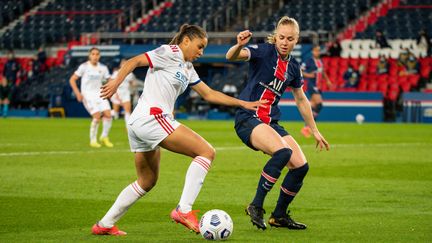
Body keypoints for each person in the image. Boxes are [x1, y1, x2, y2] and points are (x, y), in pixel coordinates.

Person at [92, 24, 264, 236]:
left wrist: (242, 103)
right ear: (185, 41)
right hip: (152, 117)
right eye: (199, 46)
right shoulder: (170, 52)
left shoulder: (187, 68)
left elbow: (209, 94)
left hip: (141, 122)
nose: (201, 52)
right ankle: (184, 210)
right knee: (207, 152)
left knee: (147, 181)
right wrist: (116, 82)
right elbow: (134, 61)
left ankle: (104, 224)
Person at [226, 16, 330, 230]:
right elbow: (232, 56)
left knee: (301, 166)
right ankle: (256, 205)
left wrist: (315, 130)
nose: (284, 42)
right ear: (276, 36)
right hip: (248, 118)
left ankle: (279, 215)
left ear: (296, 40)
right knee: (283, 152)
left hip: (270, 122)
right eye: (281, 37)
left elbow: (301, 99)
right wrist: (238, 45)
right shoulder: (264, 51)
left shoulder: (293, 67)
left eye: (289, 39)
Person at [69, 47, 114, 148]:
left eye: (97, 54)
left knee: (108, 115)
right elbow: (72, 79)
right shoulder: (84, 67)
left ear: (99, 56)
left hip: (100, 94)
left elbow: (109, 79)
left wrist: (113, 84)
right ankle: (93, 140)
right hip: (88, 95)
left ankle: (104, 137)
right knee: (97, 116)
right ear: (89, 55)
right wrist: (77, 93)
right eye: (93, 54)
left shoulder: (103, 68)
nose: (95, 56)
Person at [301, 45, 332, 137]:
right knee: (319, 104)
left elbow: (322, 72)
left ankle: (306, 127)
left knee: (312, 106)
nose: (317, 52)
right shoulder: (308, 61)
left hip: (318, 86)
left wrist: (327, 80)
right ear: (312, 52)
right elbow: (300, 71)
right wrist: (308, 75)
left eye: (319, 51)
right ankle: (308, 126)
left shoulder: (320, 61)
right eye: (316, 51)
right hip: (312, 85)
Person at [110, 59, 137, 125]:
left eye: (126, 63)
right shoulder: (116, 72)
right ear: (120, 65)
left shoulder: (130, 74)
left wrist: (133, 86)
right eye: (123, 63)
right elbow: (110, 81)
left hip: (126, 93)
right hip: (117, 92)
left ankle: (128, 128)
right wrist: (114, 93)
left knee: (128, 111)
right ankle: (105, 114)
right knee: (115, 112)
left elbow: (132, 82)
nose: (124, 65)